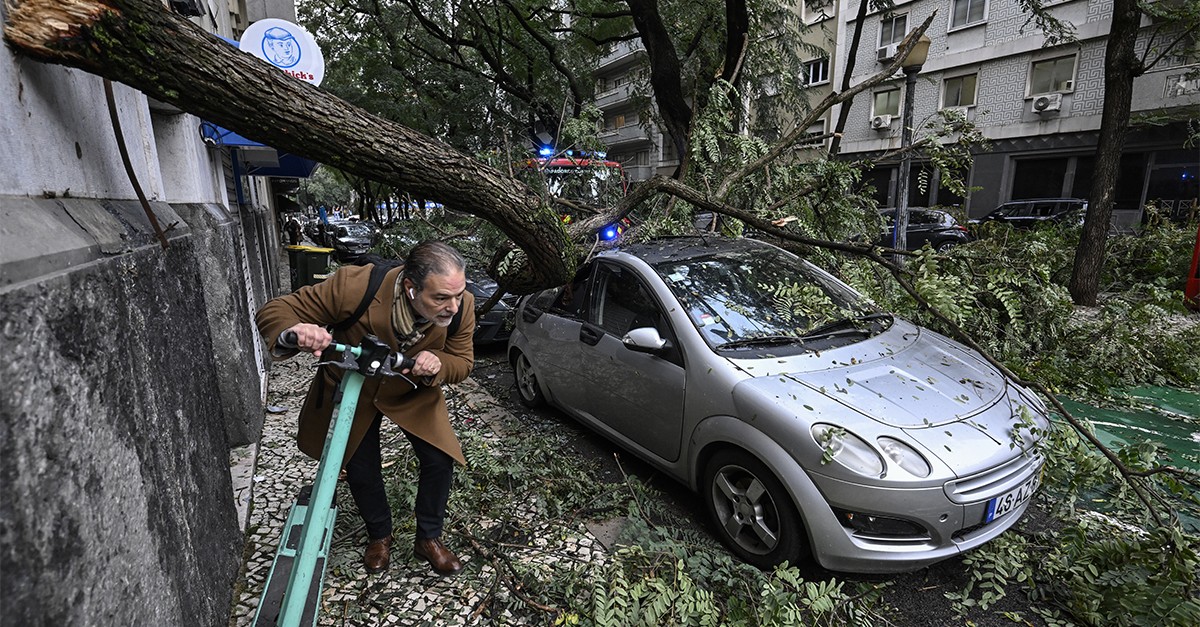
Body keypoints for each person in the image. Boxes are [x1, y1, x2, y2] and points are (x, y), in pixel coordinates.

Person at [255, 241, 474, 576]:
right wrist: (295, 331)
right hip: (353, 388)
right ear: (410, 288)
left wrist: (438, 363)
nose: (454, 307)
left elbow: (463, 361)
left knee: (439, 459)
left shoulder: (462, 305)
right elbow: (275, 311)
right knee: (360, 466)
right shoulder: (355, 285)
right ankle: (379, 535)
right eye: (441, 298)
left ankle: (428, 538)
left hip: (411, 392)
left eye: (457, 296)